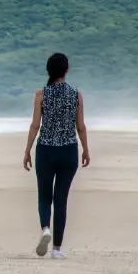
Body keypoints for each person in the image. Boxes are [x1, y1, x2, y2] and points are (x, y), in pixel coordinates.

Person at [22, 53, 90, 259]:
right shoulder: (76, 94)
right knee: (61, 199)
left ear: (48, 71)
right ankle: (57, 250)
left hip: (46, 150)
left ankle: (45, 229)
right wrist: (86, 149)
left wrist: (27, 150)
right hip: (68, 151)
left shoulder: (41, 94)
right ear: (67, 70)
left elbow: (35, 125)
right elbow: (81, 127)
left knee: (44, 195)